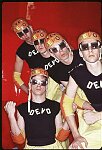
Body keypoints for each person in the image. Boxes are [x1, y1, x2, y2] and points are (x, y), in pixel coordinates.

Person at [4, 68, 70, 149]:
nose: (39, 85)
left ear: (46, 86)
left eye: (42, 82)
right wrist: (11, 116)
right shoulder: (22, 108)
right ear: (30, 84)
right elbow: (19, 140)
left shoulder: (55, 106)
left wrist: (69, 115)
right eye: (35, 82)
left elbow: (61, 136)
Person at [61, 31, 102, 149]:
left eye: (94, 46)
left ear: (100, 49)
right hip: (94, 120)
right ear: (80, 52)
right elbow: (67, 103)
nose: (90, 50)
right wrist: (76, 135)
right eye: (85, 47)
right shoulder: (77, 74)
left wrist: (99, 116)